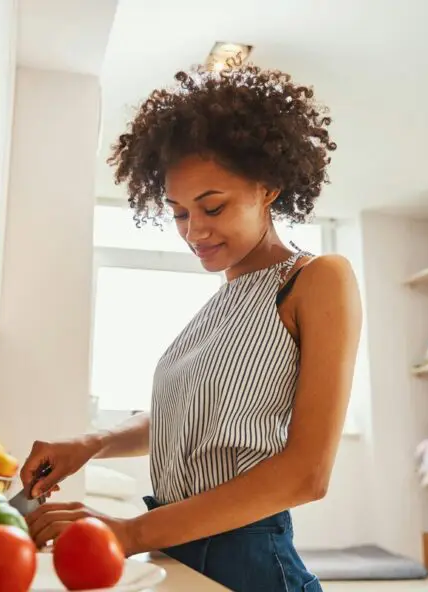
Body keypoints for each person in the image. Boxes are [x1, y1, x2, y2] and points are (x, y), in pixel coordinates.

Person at [21, 63, 362, 592]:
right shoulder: (221, 303)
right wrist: (90, 443)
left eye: (212, 206)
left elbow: (306, 475)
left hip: (250, 563)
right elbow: (190, 422)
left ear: (268, 186)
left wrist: (131, 532)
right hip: (177, 550)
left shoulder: (317, 280)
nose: (193, 231)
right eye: (179, 212)